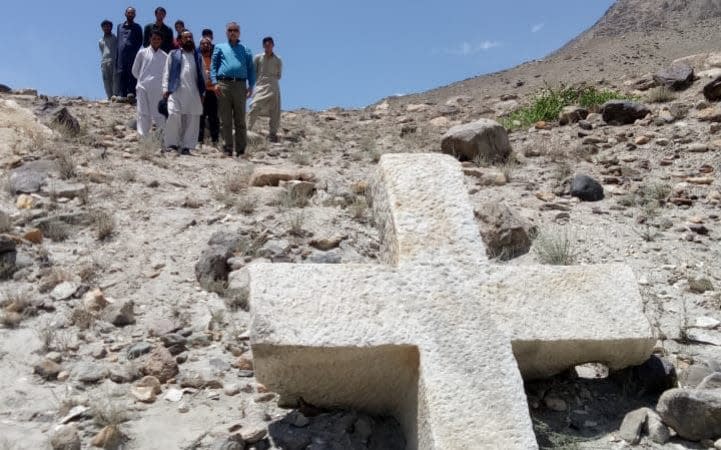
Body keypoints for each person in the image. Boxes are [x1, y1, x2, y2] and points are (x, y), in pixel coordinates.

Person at [210, 22, 255, 157]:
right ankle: (227, 148)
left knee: (240, 119)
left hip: (240, 85)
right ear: (226, 32)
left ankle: (241, 150)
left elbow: (251, 69)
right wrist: (214, 83)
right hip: (224, 84)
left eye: (235, 30)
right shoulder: (219, 47)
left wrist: (251, 86)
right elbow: (213, 66)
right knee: (225, 119)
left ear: (239, 33)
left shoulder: (245, 49)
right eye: (230, 30)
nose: (232, 32)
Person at [162, 30, 205, 155]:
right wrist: (165, 89)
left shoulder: (198, 56)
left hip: (193, 92)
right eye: (186, 37)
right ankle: (172, 144)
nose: (189, 39)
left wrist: (203, 93)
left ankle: (187, 146)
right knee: (174, 116)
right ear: (180, 40)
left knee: (192, 119)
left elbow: (202, 75)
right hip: (176, 91)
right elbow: (166, 72)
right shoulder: (173, 54)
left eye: (190, 37)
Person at [132, 31, 168, 137]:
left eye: (158, 39)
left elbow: (166, 73)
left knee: (159, 114)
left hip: (158, 88)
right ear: (150, 39)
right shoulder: (142, 53)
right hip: (143, 87)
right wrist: (141, 80)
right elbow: (135, 70)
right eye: (154, 39)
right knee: (143, 112)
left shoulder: (165, 56)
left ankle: (162, 136)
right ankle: (143, 136)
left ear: (161, 41)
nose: (156, 41)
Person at [248, 36, 282, 143]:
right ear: (263, 46)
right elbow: (253, 73)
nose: (268, 46)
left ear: (273, 45)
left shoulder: (278, 59)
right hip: (261, 85)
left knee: (275, 111)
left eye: (270, 44)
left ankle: (273, 134)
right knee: (255, 106)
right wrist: (251, 86)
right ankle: (247, 130)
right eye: (266, 45)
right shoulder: (258, 58)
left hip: (274, 86)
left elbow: (279, 75)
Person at [116, 7, 143, 98]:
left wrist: (133, 50)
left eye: (132, 13)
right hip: (121, 56)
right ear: (125, 14)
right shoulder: (119, 26)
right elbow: (118, 41)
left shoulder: (137, 27)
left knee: (132, 73)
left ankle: (131, 94)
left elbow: (140, 41)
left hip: (132, 55)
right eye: (129, 13)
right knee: (122, 73)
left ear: (134, 15)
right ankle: (122, 95)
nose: (130, 14)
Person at [198, 37, 219, 145]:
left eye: (207, 44)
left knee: (214, 117)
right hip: (200, 92)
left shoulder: (215, 60)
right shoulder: (196, 59)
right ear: (200, 46)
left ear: (211, 46)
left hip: (212, 92)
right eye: (203, 44)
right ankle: (199, 141)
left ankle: (215, 141)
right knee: (200, 116)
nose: (205, 45)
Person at [99, 20, 118, 100]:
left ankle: (115, 96)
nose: (106, 28)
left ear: (111, 27)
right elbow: (102, 50)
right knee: (106, 80)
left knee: (115, 79)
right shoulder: (100, 41)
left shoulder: (115, 38)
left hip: (114, 60)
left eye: (108, 26)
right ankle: (109, 97)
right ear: (102, 28)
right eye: (104, 27)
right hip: (104, 61)